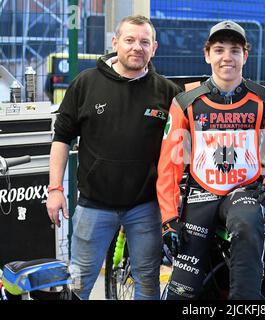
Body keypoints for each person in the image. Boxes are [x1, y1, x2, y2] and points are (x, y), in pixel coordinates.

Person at [46, 15, 181, 300]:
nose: (137, 47)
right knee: (79, 282)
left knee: (147, 282)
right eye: (130, 40)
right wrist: (55, 189)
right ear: (115, 42)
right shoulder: (86, 83)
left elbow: (182, 145)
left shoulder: (168, 92)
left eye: (144, 42)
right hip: (94, 205)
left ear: (154, 48)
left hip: (145, 208)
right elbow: (61, 138)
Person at [157, 20, 265, 300]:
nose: (227, 57)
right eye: (219, 49)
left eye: (235, 50)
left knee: (247, 223)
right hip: (200, 197)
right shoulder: (186, 102)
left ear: (245, 56)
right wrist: (168, 219)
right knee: (181, 292)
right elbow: (169, 165)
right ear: (207, 55)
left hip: (243, 193)